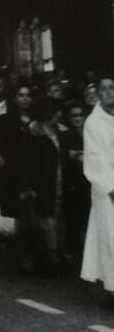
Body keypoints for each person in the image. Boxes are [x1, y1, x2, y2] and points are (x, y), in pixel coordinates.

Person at [20, 99, 67, 273]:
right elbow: (26, 163)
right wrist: (27, 187)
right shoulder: (33, 134)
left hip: (58, 182)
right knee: (43, 222)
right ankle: (46, 258)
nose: (60, 115)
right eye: (57, 112)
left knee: (55, 220)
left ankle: (53, 255)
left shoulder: (59, 132)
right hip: (42, 185)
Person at [81, 75, 114, 305]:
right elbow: (95, 158)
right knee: (110, 239)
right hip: (107, 191)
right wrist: (111, 188)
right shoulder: (93, 122)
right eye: (103, 89)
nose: (109, 92)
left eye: (112, 88)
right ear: (98, 94)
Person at [0, 83, 33, 220]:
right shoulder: (5, 120)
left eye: (28, 95)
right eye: (21, 95)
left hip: (34, 173)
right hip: (14, 175)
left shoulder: (38, 120)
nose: (25, 99)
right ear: (14, 98)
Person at [63, 100, 91, 256]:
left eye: (81, 115)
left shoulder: (93, 135)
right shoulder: (65, 136)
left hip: (91, 185)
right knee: (73, 222)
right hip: (72, 186)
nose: (77, 118)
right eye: (74, 116)